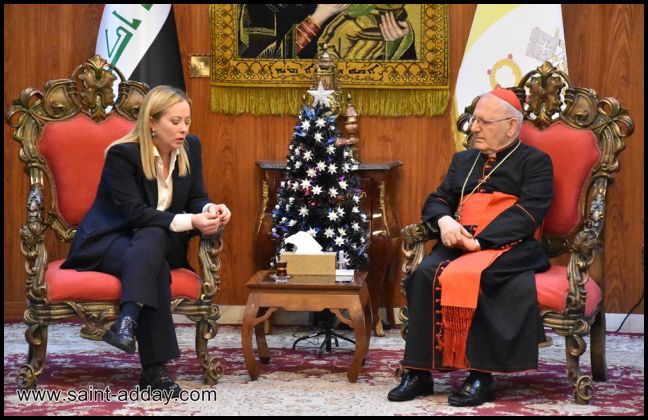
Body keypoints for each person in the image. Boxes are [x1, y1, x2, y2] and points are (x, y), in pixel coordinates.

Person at [387, 87, 553, 406]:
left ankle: (481, 375)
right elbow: (438, 199)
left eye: (483, 122)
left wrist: (480, 241)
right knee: (423, 274)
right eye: (473, 120)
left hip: (510, 246)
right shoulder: (463, 160)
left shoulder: (535, 162)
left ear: (511, 126)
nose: (474, 128)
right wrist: (445, 222)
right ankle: (418, 372)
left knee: (480, 279)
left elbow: (530, 211)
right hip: (461, 241)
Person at [61, 85, 231, 396]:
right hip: (110, 241)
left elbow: (196, 197)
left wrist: (209, 209)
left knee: (153, 238)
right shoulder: (122, 154)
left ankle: (127, 323)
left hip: (158, 241)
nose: (183, 129)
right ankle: (155, 371)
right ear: (152, 121)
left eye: (187, 121)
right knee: (155, 260)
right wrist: (190, 221)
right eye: (175, 121)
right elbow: (135, 213)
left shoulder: (190, 148)